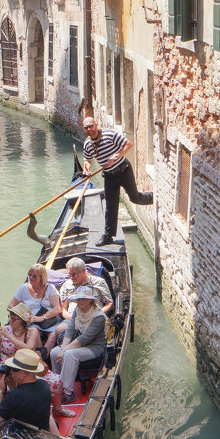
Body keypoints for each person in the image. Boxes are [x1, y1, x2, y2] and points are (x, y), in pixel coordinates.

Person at [0, 303, 75, 418]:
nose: (10, 321)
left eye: (14, 319)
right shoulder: (4, 331)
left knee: (56, 381)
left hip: (28, 366)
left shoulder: (32, 331)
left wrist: (8, 336)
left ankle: (58, 408)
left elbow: (28, 348)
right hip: (10, 367)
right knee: (15, 388)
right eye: (9, 317)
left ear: (22, 322)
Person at [82, 116, 153, 246]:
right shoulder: (87, 144)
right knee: (110, 206)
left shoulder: (109, 134)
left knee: (135, 198)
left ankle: (154, 198)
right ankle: (108, 236)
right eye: (86, 127)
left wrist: (115, 156)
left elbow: (128, 144)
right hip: (109, 176)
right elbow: (87, 159)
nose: (89, 129)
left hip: (124, 170)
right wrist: (86, 169)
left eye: (91, 126)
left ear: (96, 125)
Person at [50, 285, 107, 404]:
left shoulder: (99, 317)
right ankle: (57, 386)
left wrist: (64, 350)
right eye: (79, 298)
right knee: (54, 352)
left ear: (90, 300)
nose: (80, 301)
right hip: (79, 344)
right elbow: (70, 330)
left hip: (94, 347)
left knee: (70, 354)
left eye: (84, 298)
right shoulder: (77, 310)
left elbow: (85, 338)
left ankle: (68, 393)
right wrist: (62, 349)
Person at [45, 257, 114, 353]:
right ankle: (64, 352)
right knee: (59, 329)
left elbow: (109, 303)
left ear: (83, 271)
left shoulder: (98, 282)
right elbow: (63, 309)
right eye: (69, 274)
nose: (71, 277)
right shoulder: (66, 285)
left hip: (94, 317)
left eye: (74, 274)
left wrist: (96, 315)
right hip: (72, 318)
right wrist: (70, 317)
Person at [0, 349, 56, 433]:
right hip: (39, 431)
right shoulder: (44, 385)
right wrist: (11, 384)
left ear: (25, 373)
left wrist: (0, 390)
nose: (11, 372)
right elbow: (21, 399)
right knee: (50, 418)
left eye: (15, 369)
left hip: (20, 438)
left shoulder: (14, 395)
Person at [8, 263, 62, 333]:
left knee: (52, 334)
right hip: (27, 321)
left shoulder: (50, 288)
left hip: (46, 320)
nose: (31, 277)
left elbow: (57, 309)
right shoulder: (23, 288)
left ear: (41, 277)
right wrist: (21, 316)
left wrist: (42, 318)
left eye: (34, 276)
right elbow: (11, 306)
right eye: (30, 275)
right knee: (34, 330)